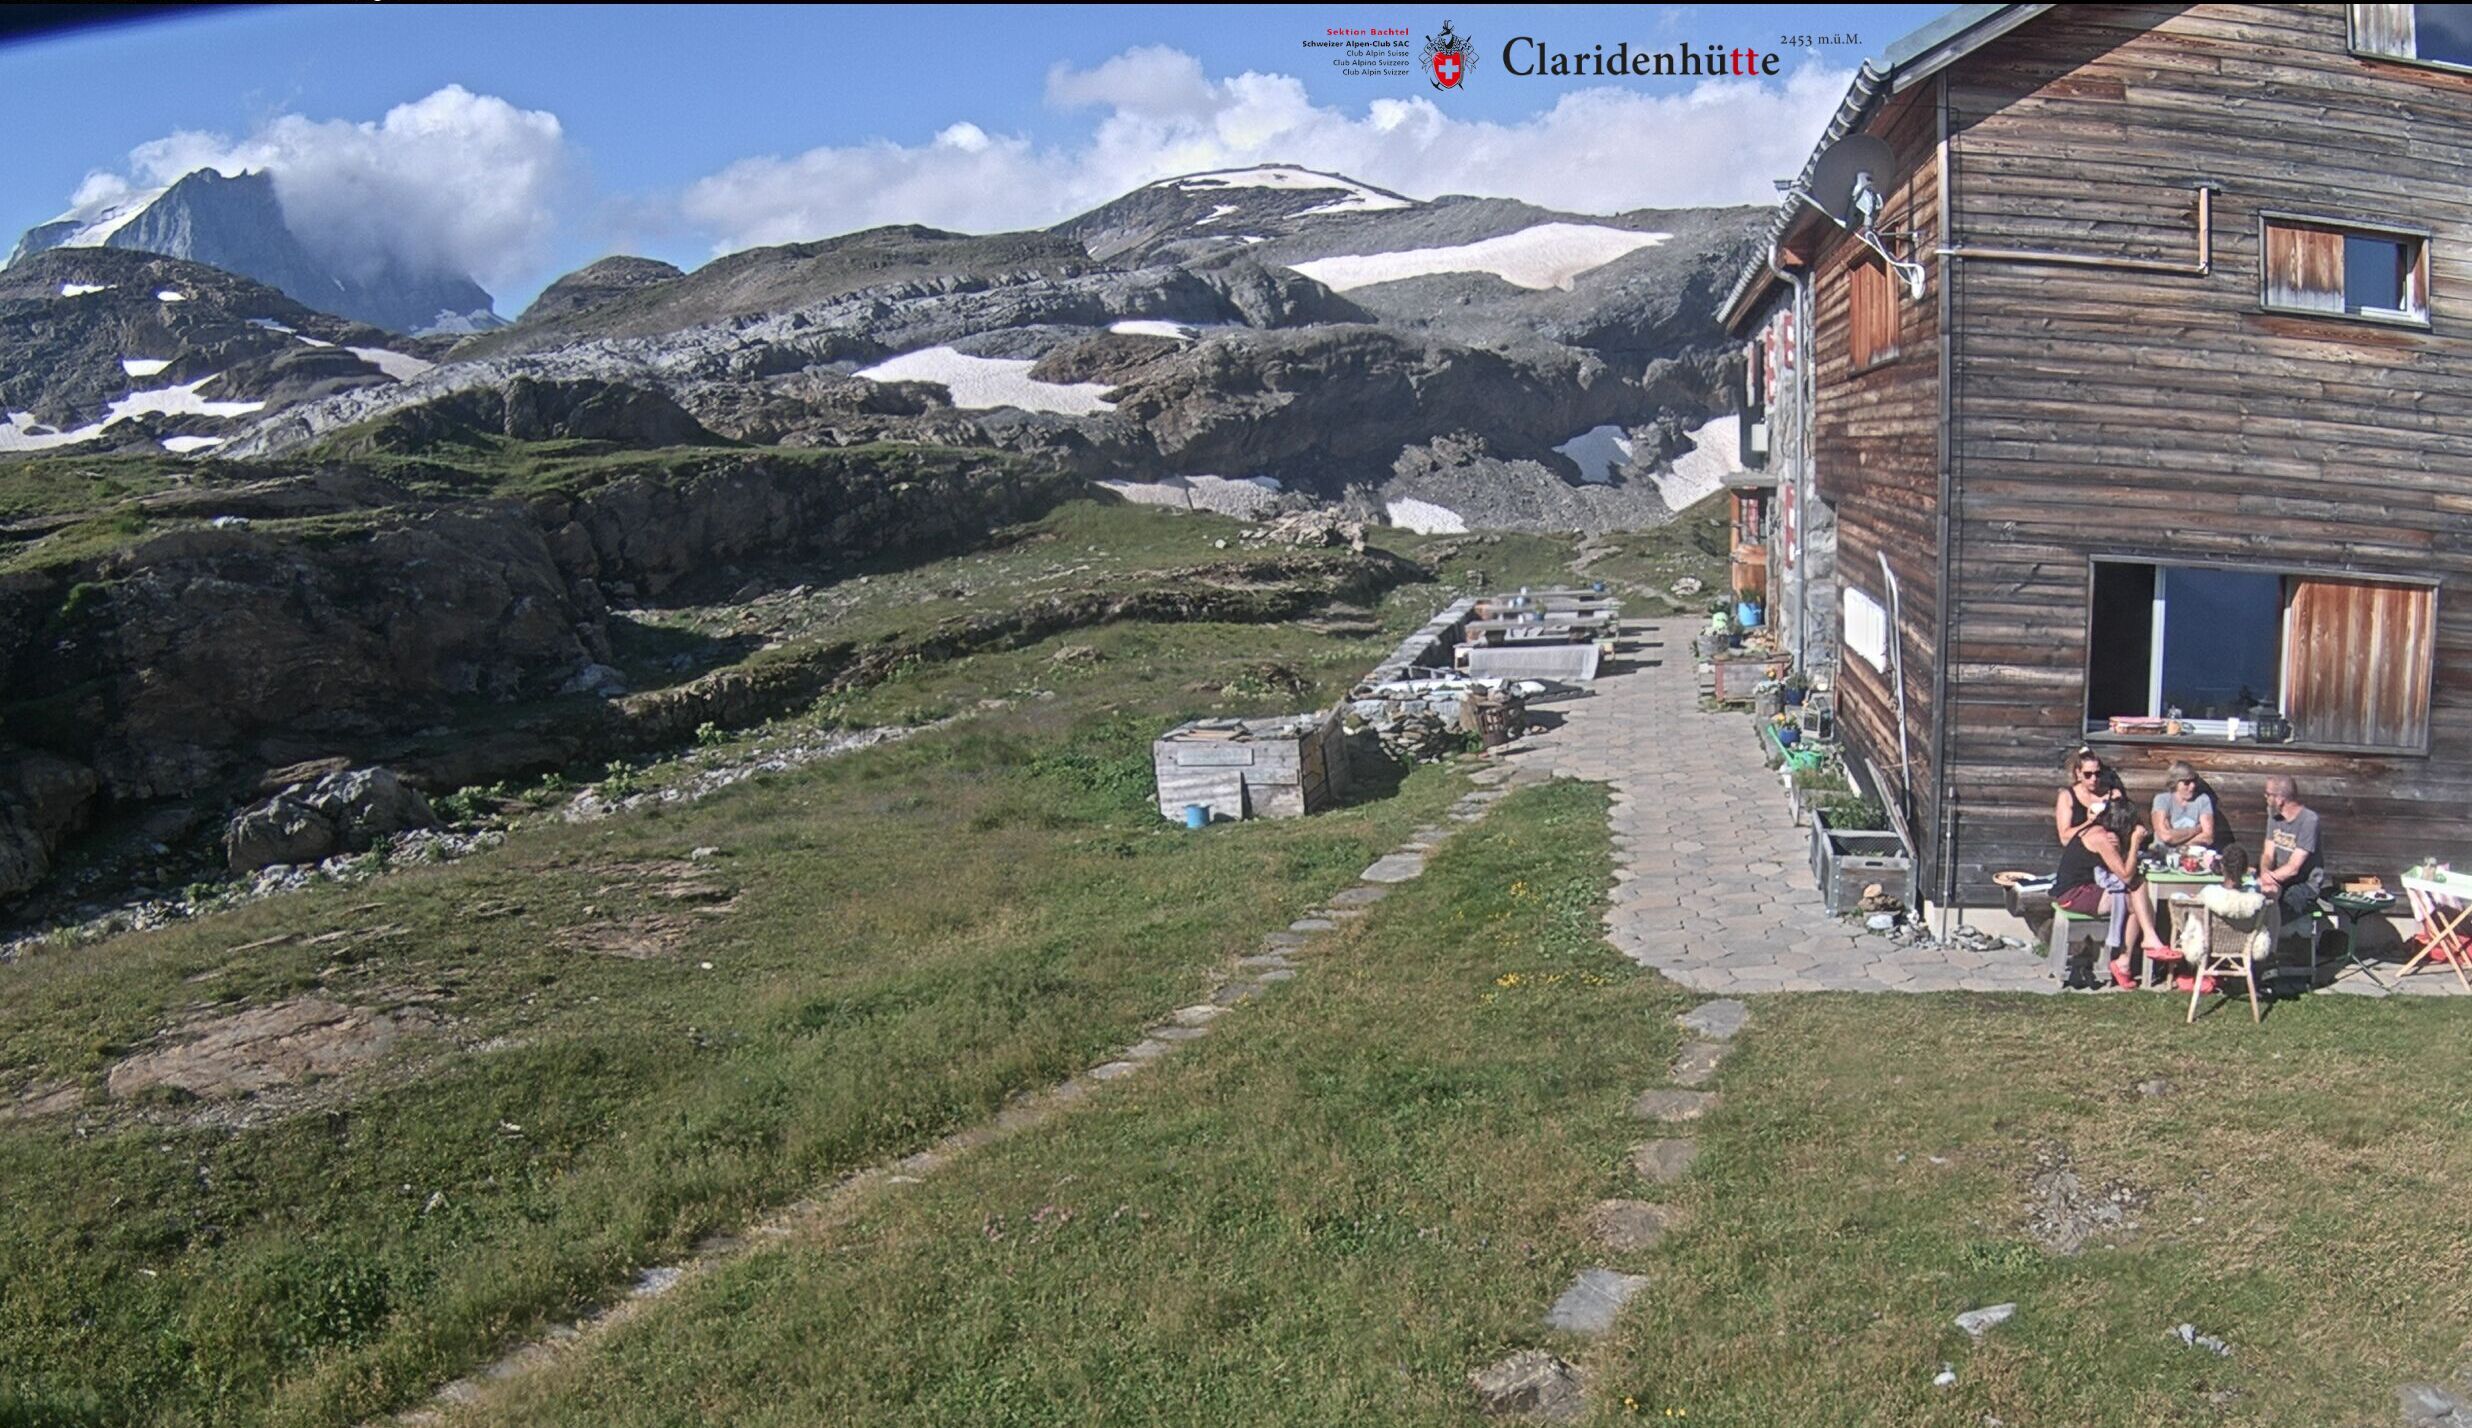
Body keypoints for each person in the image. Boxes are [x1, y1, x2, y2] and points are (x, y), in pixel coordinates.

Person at [2054, 794, 2168, 989]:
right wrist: (2134, 843)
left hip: (2088, 887)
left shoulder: (2101, 831)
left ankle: (2129, 957)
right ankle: (2135, 950)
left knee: (2136, 897)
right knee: (2136, 889)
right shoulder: (2100, 838)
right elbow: (2126, 876)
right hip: (2073, 894)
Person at [2169, 845, 2268, 993]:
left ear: (2222, 867)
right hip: (2242, 945)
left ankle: (2184, 973)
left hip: (2211, 945)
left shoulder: (2210, 894)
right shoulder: (2253, 898)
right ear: (2245, 869)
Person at [2259, 775, 2327, 921]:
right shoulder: (2274, 817)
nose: (2265, 797)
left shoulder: (2309, 820)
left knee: (2275, 912)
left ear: (2280, 799)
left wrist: (2269, 878)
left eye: (2268, 794)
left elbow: (2294, 867)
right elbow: (2268, 855)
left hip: (2304, 885)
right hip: (2278, 879)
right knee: (2256, 900)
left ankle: (2283, 942)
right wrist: (2265, 875)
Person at [2149, 760, 2219, 851]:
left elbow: (2208, 837)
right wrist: (2197, 829)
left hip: (2193, 855)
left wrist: (2182, 847)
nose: (2192, 786)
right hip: (2163, 854)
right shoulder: (2162, 800)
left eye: (2194, 781)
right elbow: (2166, 836)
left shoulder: (2203, 800)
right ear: (2175, 782)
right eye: (2187, 782)